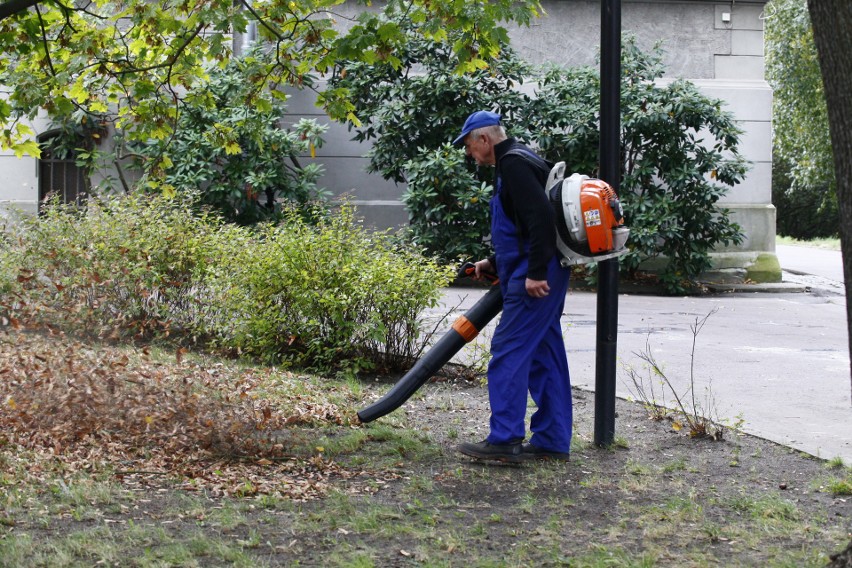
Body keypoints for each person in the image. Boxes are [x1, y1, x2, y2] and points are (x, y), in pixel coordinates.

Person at [453, 110, 572, 462]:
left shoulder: (514, 166)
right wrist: (493, 263)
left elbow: (541, 218)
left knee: (508, 350)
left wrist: (534, 272)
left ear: (484, 140)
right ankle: (552, 440)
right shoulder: (523, 159)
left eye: (469, 146)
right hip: (538, 269)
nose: (469, 154)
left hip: (535, 277)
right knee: (544, 355)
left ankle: (504, 440)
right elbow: (523, 226)